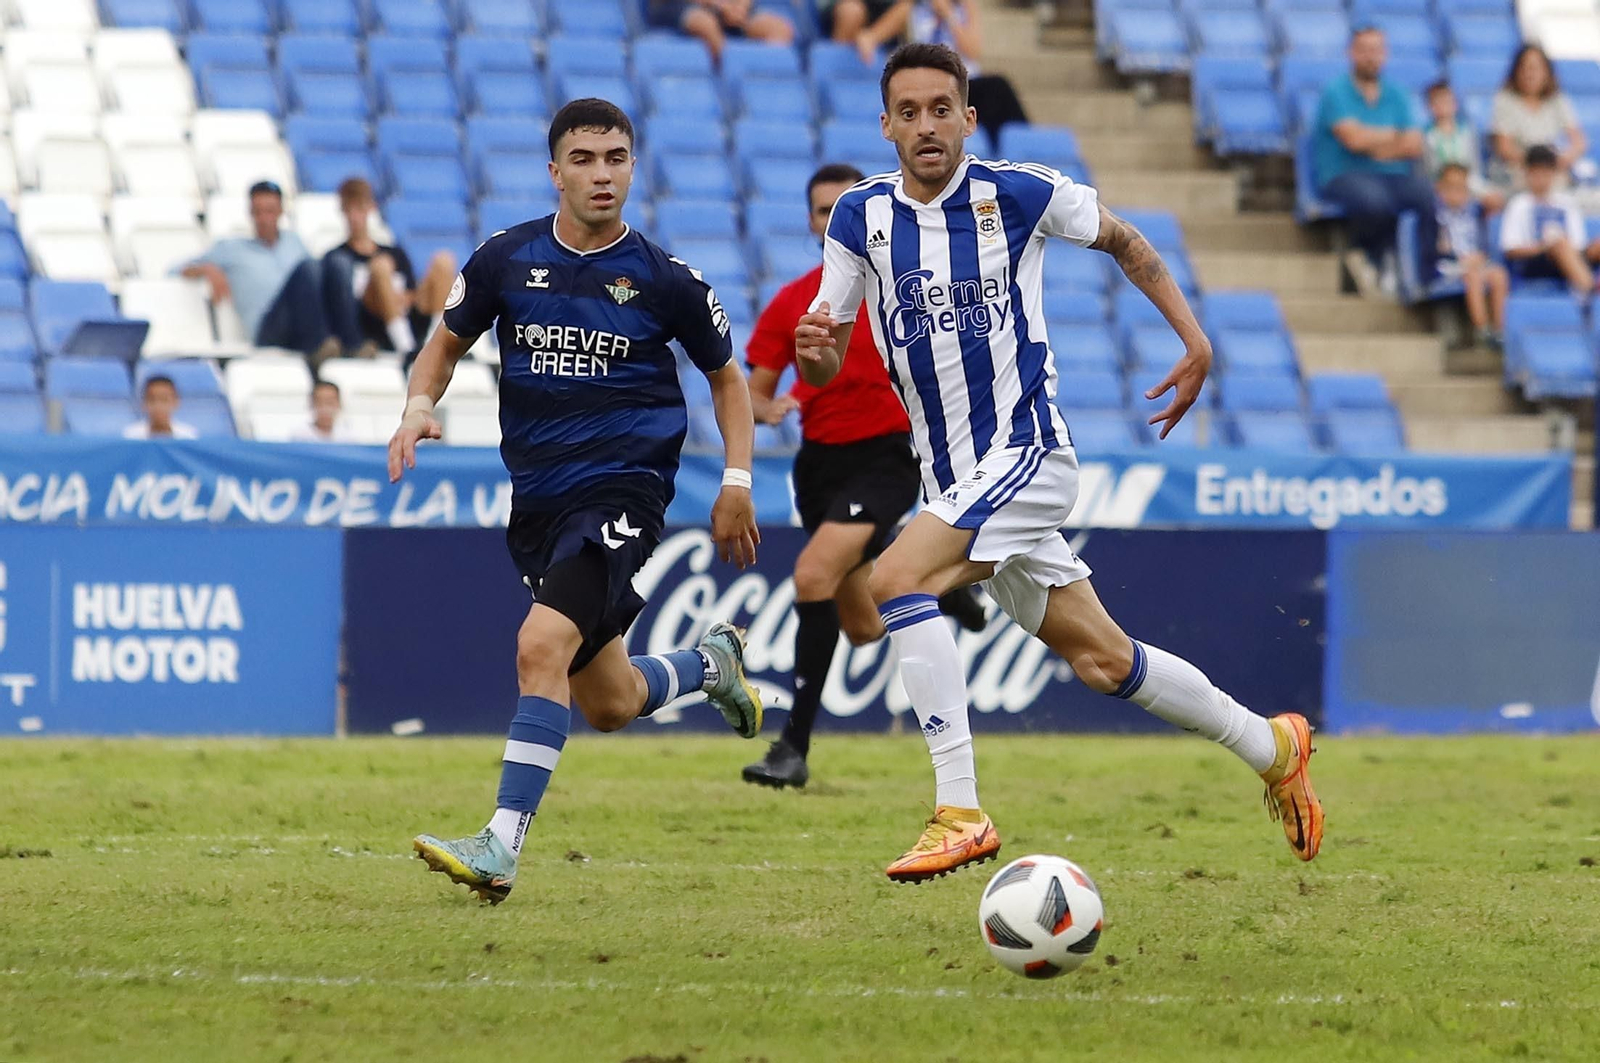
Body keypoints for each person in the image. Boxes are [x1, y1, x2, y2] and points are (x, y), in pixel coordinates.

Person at [796, 43, 1324, 884]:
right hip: (955, 481)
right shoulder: (860, 218)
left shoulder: (1019, 192)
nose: (927, 125)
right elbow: (824, 355)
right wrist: (815, 351)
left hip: (1027, 453)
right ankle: (1272, 745)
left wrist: (1194, 339)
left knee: (894, 579)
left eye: (943, 108)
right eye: (910, 111)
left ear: (969, 118)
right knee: (1104, 661)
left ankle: (959, 811)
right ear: (887, 124)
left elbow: (1125, 241)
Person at [393, 99, 765, 905]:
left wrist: (736, 479)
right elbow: (445, 344)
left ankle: (500, 843)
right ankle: (710, 665)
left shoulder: (667, 281)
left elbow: (727, 380)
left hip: (624, 490)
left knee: (540, 645)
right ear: (554, 168)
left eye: (617, 158)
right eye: (586, 158)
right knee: (609, 700)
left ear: (634, 166)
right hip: (540, 505)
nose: (603, 173)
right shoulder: (505, 259)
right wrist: (420, 405)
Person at [739, 162, 987, 790]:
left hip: (889, 457)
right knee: (859, 625)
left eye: (839, 210)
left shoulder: (904, 288)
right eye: (820, 212)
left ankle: (792, 747)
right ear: (810, 219)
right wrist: (770, 408)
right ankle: (938, 589)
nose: (829, 222)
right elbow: (755, 393)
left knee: (811, 573)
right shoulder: (792, 302)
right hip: (819, 465)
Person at [1312, 27, 1435, 298]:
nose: (1370, 57)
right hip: (1344, 174)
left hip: (1393, 173)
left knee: (1428, 195)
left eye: (1376, 50)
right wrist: (1393, 136)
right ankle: (1375, 259)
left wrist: (1376, 146)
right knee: (1374, 201)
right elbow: (1352, 140)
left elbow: (1415, 143)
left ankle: (1428, 272)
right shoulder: (1336, 91)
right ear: (1351, 53)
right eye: (1364, 50)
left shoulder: (1397, 93)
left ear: (1385, 54)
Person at [180, 181, 332, 358]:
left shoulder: (294, 242)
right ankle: (320, 346)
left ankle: (339, 342)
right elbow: (177, 269)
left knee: (329, 269)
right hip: (268, 331)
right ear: (250, 213)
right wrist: (207, 269)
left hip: (299, 326)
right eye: (258, 212)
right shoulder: (232, 249)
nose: (264, 219)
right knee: (308, 269)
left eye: (270, 211)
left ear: (280, 212)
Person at [854, 0, 1028, 146]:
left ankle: (1016, 143)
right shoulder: (911, 8)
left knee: (998, 89)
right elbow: (871, 36)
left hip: (963, 81)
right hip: (928, 82)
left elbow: (973, 50)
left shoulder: (965, 7)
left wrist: (949, 15)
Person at [322, 177, 456, 359]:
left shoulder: (395, 252)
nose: (355, 217)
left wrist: (403, 298)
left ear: (371, 208)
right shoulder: (337, 258)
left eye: (359, 209)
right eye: (349, 210)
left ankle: (438, 344)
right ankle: (405, 347)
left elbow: (411, 289)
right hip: (371, 323)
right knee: (381, 267)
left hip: (407, 315)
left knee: (444, 261)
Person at [1490, 45, 1584, 193]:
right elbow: (1504, 147)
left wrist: (1559, 161)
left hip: (1552, 168)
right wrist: (1536, 165)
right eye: (1525, 68)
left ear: (1547, 72)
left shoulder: (1557, 100)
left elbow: (1578, 142)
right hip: (1520, 170)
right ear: (1516, 71)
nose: (1530, 74)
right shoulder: (1505, 100)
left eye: (1536, 68)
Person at [1499, 144, 1591, 295]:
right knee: (1559, 244)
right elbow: (1511, 249)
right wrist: (1545, 247)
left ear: (1554, 173)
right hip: (1534, 262)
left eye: (1545, 173)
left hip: (1569, 257)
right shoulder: (1518, 204)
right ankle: (1590, 289)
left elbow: (1579, 244)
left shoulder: (1567, 203)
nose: (1541, 179)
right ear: (1527, 174)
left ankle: (1585, 284)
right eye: (1536, 173)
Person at [1433, 163, 1508, 347]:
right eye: (1450, 187)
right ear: (1439, 188)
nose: (1455, 193)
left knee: (1498, 275)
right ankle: (1482, 329)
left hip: (1476, 262)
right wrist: (1453, 255)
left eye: (1461, 187)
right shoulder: (1434, 215)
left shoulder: (1474, 213)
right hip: (1447, 266)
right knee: (1473, 276)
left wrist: (1480, 256)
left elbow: (1495, 204)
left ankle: (1500, 331)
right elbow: (1435, 249)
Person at [1423, 81, 1501, 212]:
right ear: (1429, 106)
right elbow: (1428, 172)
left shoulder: (1468, 133)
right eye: (1437, 102)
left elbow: (1475, 167)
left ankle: (1480, 230)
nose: (1443, 106)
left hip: (1468, 182)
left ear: (1455, 104)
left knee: (1494, 198)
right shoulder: (1426, 136)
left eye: (1446, 101)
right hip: (1440, 185)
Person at [646, 0, 795, 61]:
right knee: (706, 25)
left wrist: (740, 7)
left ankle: (761, 81)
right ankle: (728, 77)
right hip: (679, 5)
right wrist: (719, 5)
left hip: (728, 9)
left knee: (779, 29)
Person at [122, 374, 198, 439]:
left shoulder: (188, 436)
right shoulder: (131, 436)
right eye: (152, 400)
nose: (158, 405)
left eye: (164, 400)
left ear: (176, 402)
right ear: (143, 403)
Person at [290, 380, 356, 442]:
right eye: (319, 402)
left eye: (330, 402)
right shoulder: (299, 436)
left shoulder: (348, 437)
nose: (324, 408)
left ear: (339, 404)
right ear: (311, 404)